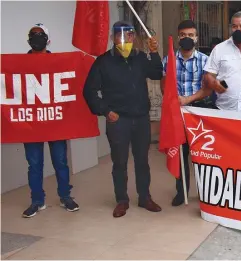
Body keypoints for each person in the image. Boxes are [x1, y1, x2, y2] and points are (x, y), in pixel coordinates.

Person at [83, 21, 164, 218]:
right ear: (112, 38)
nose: (124, 39)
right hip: (118, 120)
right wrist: (105, 111)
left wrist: (153, 53)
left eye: (128, 35)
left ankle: (144, 197)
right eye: (119, 35)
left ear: (133, 37)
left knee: (142, 161)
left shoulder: (140, 58)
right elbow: (89, 91)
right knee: (119, 162)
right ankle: (122, 200)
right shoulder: (103, 62)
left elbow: (156, 73)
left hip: (141, 118)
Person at [21, 23, 79, 218]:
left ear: (47, 39)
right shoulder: (20, 64)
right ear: (29, 39)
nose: (36, 37)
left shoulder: (58, 62)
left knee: (61, 162)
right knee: (34, 164)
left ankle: (65, 196)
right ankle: (37, 201)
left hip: (55, 122)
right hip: (31, 124)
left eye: (40, 34)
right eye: (33, 35)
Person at [161, 20, 212, 207]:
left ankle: (205, 192)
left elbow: (207, 90)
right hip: (176, 114)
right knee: (180, 153)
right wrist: (172, 101)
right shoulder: (169, 59)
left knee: (201, 153)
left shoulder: (206, 60)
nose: (187, 38)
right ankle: (181, 192)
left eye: (191, 35)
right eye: (183, 35)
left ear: (196, 38)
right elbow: (164, 84)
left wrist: (187, 100)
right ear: (178, 37)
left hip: (198, 111)